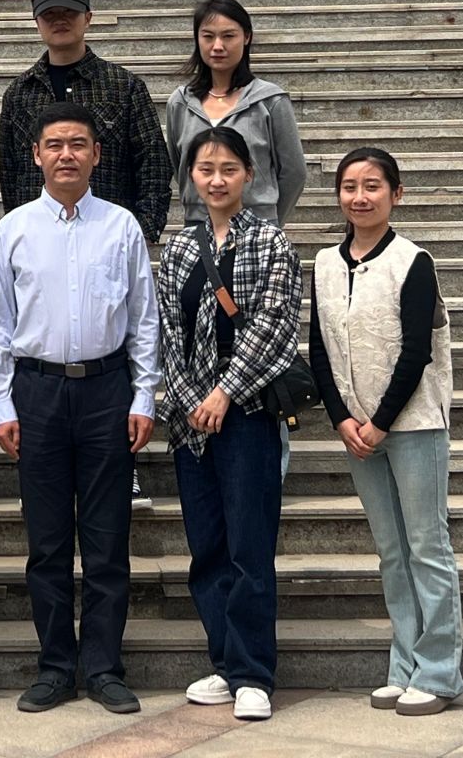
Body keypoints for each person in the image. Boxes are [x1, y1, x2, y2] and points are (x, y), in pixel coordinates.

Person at [0, 101, 159, 716]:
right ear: (35, 155)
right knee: (48, 542)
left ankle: (104, 667)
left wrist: (144, 395)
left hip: (106, 392)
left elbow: (143, 319)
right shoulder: (14, 229)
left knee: (107, 540)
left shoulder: (122, 226)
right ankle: (56, 666)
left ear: (96, 155)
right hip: (37, 392)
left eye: (77, 144)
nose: (66, 155)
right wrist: (2, 404)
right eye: (54, 144)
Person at [0, 0, 171, 513]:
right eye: (49, 13)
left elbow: (153, 163)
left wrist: (140, 232)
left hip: (111, 244)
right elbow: (12, 172)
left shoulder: (123, 86)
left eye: (68, 11)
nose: (59, 20)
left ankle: (126, 468)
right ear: (36, 21)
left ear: (88, 17)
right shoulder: (19, 94)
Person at [310, 147, 462, 718]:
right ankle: (405, 664)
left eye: (372, 185)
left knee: (427, 546)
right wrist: (342, 420)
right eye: (349, 186)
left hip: (413, 424)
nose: (360, 196)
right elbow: (319, 349)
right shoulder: (324, 263)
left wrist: (378, 423)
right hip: (356, 430)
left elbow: (417, 350)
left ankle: (439, 672)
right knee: (392, 551)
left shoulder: (412, 261)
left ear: (396, 194)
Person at [156, 129, 301, 723]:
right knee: (207, 546)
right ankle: (223, 661)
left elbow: (274, 325)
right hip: (191, 419)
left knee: (249, 545)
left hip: (246, 413)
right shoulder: (177, 248)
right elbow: (166, 330)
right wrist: (192, 399)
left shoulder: (271, 241)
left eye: (229, 169)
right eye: (205, 169)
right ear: (190, 176)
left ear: (249, 175)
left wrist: (223, 392)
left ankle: (253, 672)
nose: (216, 179)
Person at [163, 0, 306, 227]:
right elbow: (180, 166)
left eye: (228, 36)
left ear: (247, 37)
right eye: (208, 36)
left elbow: (294, 172)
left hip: (257, 227)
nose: (218, 46)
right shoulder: (180, 103)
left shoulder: (270, 101)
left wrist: (269, 224)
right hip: (198, 228)